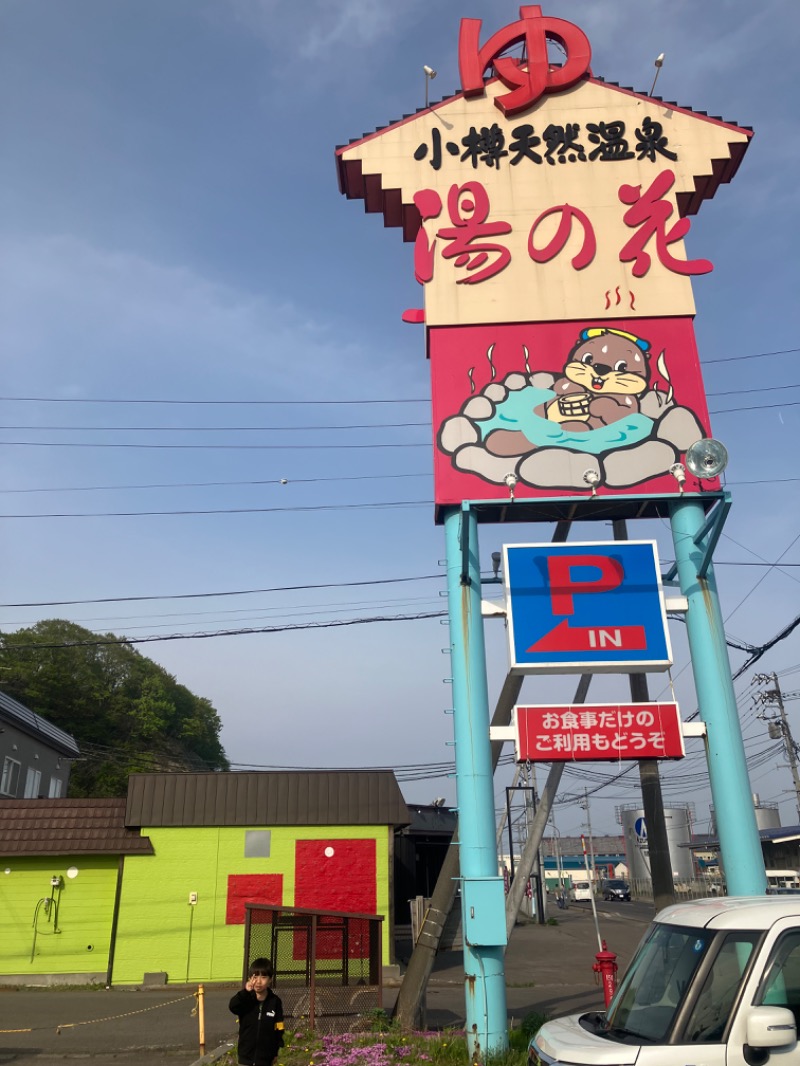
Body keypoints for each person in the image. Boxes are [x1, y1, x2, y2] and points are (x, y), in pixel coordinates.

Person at [229, 958, 285, 1066]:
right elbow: (233, 1007)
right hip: (245, 1057)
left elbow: (279, 1026)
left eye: (263, 977)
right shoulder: (245, 998)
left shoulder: (275, 1001)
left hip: (266, 1059)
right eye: (255, 977)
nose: (259, 981)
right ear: (250, 978)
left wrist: (276, 1049)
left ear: (270, 980)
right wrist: (245, 992)